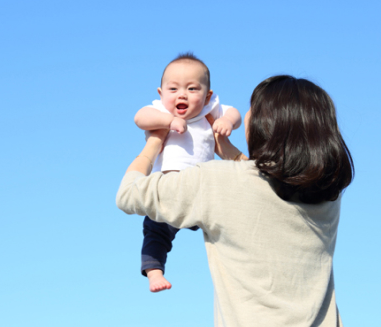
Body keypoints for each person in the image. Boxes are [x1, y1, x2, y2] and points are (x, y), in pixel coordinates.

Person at [117, 75, 353, 326]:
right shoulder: (328, 195)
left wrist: (153, 143)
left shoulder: (215, 181)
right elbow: (268, 185)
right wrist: (232, 153)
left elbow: (128, 193)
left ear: (265, 124)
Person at [133, 53, 244, 293]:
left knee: (228, 224)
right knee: (156, 230)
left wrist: (227, 120)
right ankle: (154, 272)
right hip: (169, 189)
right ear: (161, 94)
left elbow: (235, 113)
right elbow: (139, 118)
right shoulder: (159, 110)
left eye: (193, 89)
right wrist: (167, 120)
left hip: (203, 190)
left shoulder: (208, 113)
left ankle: (240, 268)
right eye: (173, 88)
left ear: (208, 96)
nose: (182, 94)